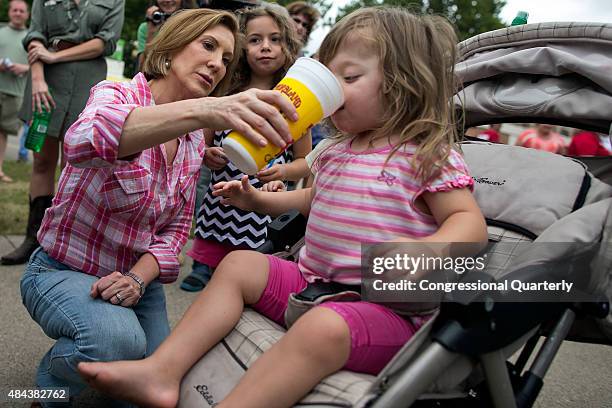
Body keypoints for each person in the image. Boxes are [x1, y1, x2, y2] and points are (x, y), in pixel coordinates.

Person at [77, 7, 488, 408]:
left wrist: (429, 252)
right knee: (239, 264)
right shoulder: (335, 150)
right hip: (311, 283)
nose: (334, 91)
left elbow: (467, 221)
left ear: (403, 83)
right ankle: (161, 372)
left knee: (323, 328)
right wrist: (257, 200)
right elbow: (313, 200)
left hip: (383, 308)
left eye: (349, 77)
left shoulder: (425, 154)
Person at [18, 8, 298, 406]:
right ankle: (44, 389)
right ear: (171, 47)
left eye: (225, 57)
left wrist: (135, 279)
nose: (217, 64)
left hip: (136, 281)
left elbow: (177, 230)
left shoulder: (192, 142)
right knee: (115, 342)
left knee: (162, 383)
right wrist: (204, 111)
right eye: (208, 45)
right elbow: (81, 142)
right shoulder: (115, 92)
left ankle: (102, 363)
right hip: (62, 268)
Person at [180, 3, 308, 292]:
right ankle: (203, 266)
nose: (266, 47)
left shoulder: (297, 104)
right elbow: (202, 141)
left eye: (275, 39)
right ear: (241, 48)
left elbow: (306, 161)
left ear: (288, 46)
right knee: (206, 276)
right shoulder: (226, 93)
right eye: (255, 40)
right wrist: (207, 155)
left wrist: (282, 172)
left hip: (262, 208)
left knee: (243, 278)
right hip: (219, 206)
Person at [0, 0, 125, 265]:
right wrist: (37, 80)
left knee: (74, 167)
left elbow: (107, 41)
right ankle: (32, 238)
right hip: (46, 81)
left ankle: (64, 243)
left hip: (86, 85)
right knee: (41, 162)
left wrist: (55, 55)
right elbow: (35, 36)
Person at [0, 0, 30, 183]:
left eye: (21, 11)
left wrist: (23, 68)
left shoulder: (31, 38)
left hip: (16, 92)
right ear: (10, 12)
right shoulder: (1, 32)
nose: (18, 13)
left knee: (2, 132)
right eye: (15, 10)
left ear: (27, 14)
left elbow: (36, 64)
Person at [136, 0, 195, 70]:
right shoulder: (146, 28)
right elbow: (142, 70)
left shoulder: (194, 25)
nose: (167, 0)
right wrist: (151, 33)